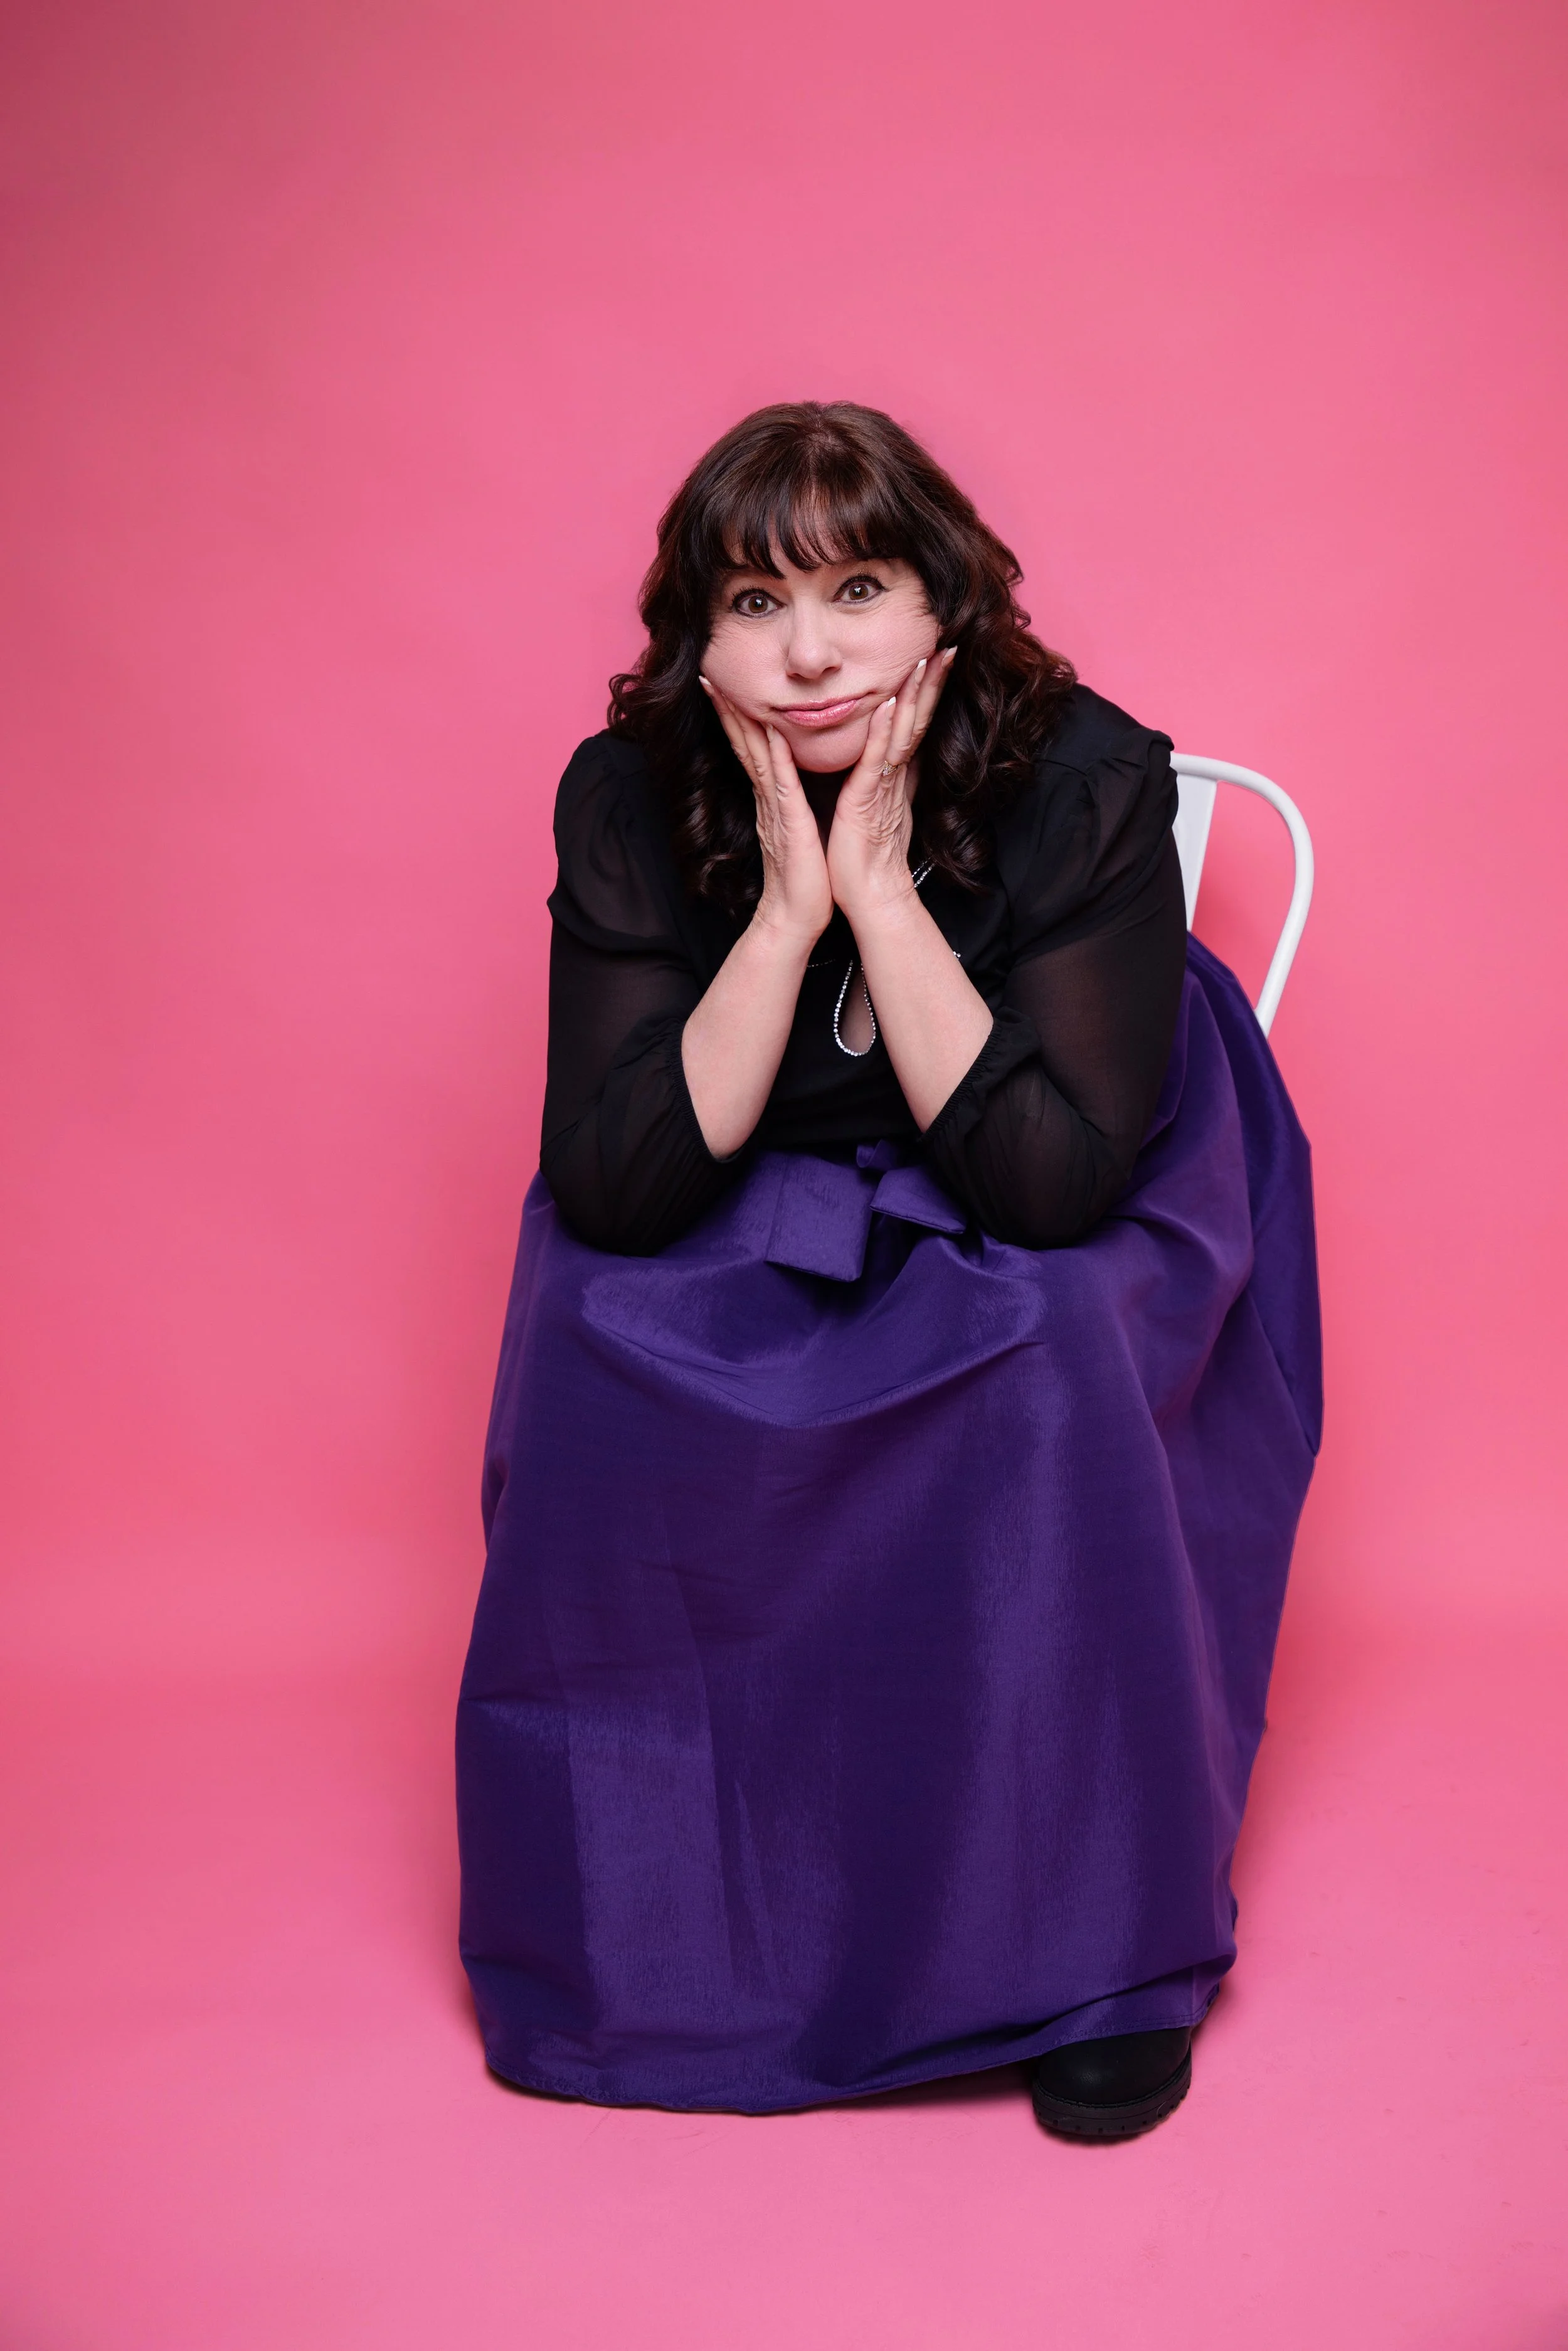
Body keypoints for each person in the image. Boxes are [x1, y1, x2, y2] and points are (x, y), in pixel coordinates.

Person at [457, 402, 1321, 2140]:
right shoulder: (627, 786)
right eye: (753, 602)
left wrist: (880, 889)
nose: (808, 654)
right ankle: (663, 1929)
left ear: (945, 603)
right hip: (758, 1156)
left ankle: (1094, 1956)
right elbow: (619, 1188)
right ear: (694, 637)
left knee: (1044, 1333)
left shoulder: (1082, 772)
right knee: (589, 1316)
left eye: (856, 590)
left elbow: (1047, 1189)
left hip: (1047, 1141)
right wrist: (789, 912)